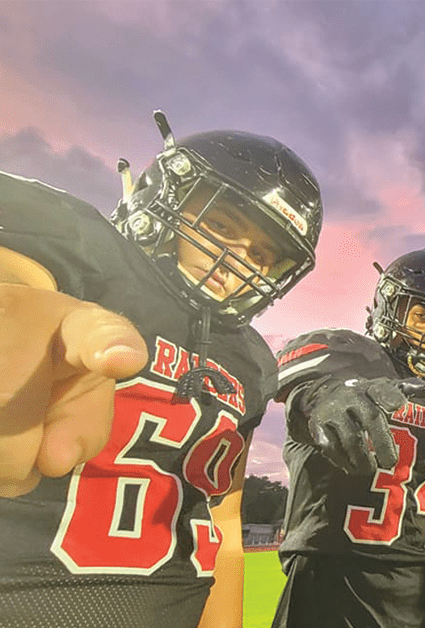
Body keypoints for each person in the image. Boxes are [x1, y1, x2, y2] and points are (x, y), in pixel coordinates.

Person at [0, 110, 323, 628]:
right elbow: (20, 276)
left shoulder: (251, 362)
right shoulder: (91, 260)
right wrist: (19, 301)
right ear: (163, 196)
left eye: (263, 255)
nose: (240, 261)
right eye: (220, 226)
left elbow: (224, 524)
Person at [271, 247, 425, 628]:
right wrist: (324, 396)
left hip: (423, 592)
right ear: (391, 307)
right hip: (332, 582)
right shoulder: (350, 357)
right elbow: (290, 375)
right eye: (423, 316)